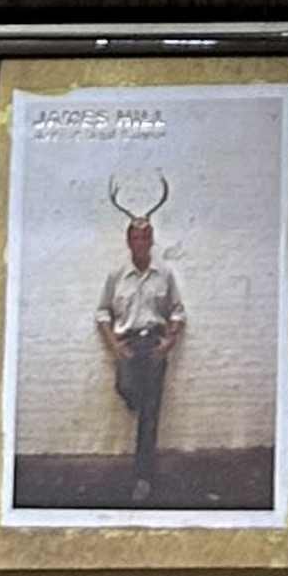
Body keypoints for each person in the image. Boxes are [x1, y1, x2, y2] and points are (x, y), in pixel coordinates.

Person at [94, 206, 186, 503]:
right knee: (127, 388)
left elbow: (178, 312)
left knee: (150, 413)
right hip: (128, 345)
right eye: (136, 237)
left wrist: (169, 342)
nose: (141, 242)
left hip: (154, 344)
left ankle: (143, 477)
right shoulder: (116, 275)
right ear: (128, 241)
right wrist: (115, 346)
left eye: (146, 237)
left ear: (152, 240)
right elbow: (102, 313)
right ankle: (135, 399)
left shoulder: (165, 274)